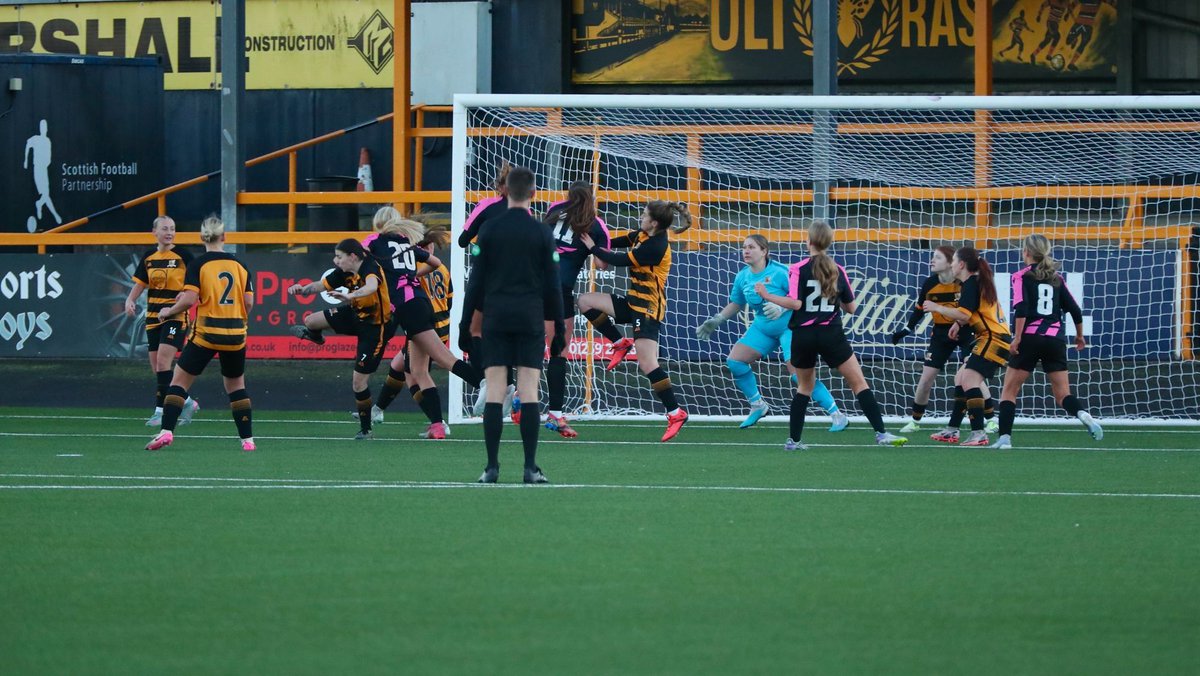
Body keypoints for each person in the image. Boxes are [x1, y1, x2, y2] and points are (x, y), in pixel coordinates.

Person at [755, 221, 908, 450]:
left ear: (809, 241)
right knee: (858, 383)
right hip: (831, 333)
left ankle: (794, 441)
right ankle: (881, 433)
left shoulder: (797, 268)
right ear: (828, 242)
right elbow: (852, 308)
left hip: (804, 334)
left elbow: (796, 303)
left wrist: (767, 295)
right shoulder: (837, 269)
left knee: (804, 388)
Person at [465, 166, 564, 484]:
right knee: (529, 390)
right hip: (529, 318)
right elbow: (553, 287)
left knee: (495, 390)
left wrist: (464, 325)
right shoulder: (542, 233)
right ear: (533, 194)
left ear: (504, 191)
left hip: (496, 318)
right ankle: (530, 467)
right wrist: (559, 329)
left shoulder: (490, 230)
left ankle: (491, 467)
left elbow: (475, 283)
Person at [696, 234, 849, 430]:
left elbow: (798, 298)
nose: (746, 251)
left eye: (751, 247)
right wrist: (718, 319)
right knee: (735, 361)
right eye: (744, 247)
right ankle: (758, 405)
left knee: (798, 375)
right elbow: (737, 302)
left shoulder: (781, 272)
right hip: (763, 328)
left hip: (789, 328)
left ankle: (837, 414)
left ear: (764, 251)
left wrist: (781, 307)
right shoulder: (742, 276)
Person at [579, 200, 691, 442]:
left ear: (654, 222)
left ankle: (676, 412)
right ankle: (620, 342)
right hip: (633, 303)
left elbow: (620, 260)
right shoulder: (642, 234)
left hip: (648, 309)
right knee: (585, 301)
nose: (640, 217)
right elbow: (615, 243)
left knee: (648, 364)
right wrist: (597, 237)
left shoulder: (657, 245)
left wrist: (592, 248)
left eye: (643, 215)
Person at [364, 214, 483, 439]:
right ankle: (380, 411)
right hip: (440, 322)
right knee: (402, 365)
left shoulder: (407, 265)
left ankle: (440, 419)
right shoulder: (442, 269)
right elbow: (449, 298)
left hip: (422, 323)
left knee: (419, 372)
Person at [145, 216, 255, 452]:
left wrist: (169, 311)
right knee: (236, 386)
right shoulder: (240, 265)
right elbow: (249, 302)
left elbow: (190, 300)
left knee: (179, 382)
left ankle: (166, 432)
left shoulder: (198, 265)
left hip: (207, 333)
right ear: (224, 237)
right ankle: (248, 440)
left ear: (202, 238)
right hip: (236, 333)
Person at [992, 235, 1103, 449]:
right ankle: (1083, 414)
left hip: (1030, 338)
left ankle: (1005, 438)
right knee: (1063, 395)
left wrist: (1017, 338)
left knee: (1009, 391)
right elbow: (1075, 310)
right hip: (1055, 340)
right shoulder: (1057, 278)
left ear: (1026, 252)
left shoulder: (1020, 276)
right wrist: (1079, 336)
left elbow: (1022, 309)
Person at [288, 238, 392, 440]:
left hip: (375, 328)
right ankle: (316, 337)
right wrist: (302, 289)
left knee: (358, 382)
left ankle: (366, 430)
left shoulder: (371, 268)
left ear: (353, 257)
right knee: (310, 321)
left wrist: (351, 297)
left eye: (339, 257)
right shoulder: (344, 271)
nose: (336, 261)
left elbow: (371, 287)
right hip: (355, 315)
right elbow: (321, 285)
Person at [891, 245, 997, 435]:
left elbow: (968, 312)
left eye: (937, 258)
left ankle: (990, 419)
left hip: (966, 332)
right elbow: (919, 309)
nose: (932, 261)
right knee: (925, 379)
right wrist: (907, 329)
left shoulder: (964, 283)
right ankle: (915, 420)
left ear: (952, 263)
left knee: (972, 375)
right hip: (941, 334)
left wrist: (953, 319)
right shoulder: (930, 283)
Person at [541, 180, 611, 438]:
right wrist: (591, 248)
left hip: (530, 282)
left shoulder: (555, 210)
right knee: (558, 351)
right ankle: (556, 415)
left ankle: (516, 394)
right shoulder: (594, 222)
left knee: (528, 343)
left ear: (568, 195)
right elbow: (604, 264)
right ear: (591, 198)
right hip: (557, 289)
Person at [921, 247, 1012, 446]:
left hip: (993, 338)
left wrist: (937, 308)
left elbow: (964, 313)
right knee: (961, 378)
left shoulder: (971, 283)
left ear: (961, 265)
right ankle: (953, 430)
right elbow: (970, 313)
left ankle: (979, 433)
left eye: (953, 261)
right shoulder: (973, 282)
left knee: (970, 379)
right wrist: (957, 324)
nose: (952, 264)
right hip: (992, 336)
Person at [124, 215, 199, 427]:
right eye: (165, 228)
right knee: (158, 369)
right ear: (154, 232)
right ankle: (186, 401)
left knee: (163, 363)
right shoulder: (149, 257)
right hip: (153, 317)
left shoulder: (184, 255)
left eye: (172, 229)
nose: (169, 232)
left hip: (175, 315)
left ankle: (160, 411)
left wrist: (185, 293)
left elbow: (198, 280)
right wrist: (130, 299)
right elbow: (140, 283)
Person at [459, 161, 516, 416]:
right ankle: (508, 384)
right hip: (514, 280)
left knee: (471, 330)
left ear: (500, 186)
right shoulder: (524, 212)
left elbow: (462, 240)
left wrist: (478, 243)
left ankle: (488, 381)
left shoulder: (487, 205)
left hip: (486, 277)